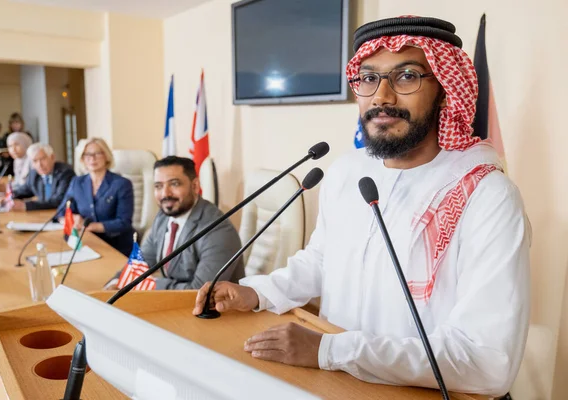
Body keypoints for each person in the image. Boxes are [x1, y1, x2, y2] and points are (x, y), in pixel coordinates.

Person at [193, 16, 530, 397]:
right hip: (332, 384)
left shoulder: (485, 194)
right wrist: (257, 293)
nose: (381, 97)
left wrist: (329, 350)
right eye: (369, 78)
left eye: (406, 77)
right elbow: (322, 260)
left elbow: (487, 360)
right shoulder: (348, 172)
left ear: (444, 90)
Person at [105, 156, 244, 290]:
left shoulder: (218, 230)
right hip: (173, 303)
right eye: (158, 186)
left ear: (195, 186)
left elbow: (199, 291)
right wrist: (118, 281)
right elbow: (141, 262)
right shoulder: (164, 216)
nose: (165, 194)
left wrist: (151, 284)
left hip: (214, 310)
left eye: (174, 184)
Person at [59, 138, 134, 257]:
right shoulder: (77, 182)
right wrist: (72, 218)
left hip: (115, 246)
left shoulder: (121, 184)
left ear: (106, 156)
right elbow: (61, 213)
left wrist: (88, 226)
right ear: (82, 159)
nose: (92, 158)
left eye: (97, 153)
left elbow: (124, 222)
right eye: (87, 154)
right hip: (86, 243)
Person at [10, 143, 75, 211]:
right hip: (43, 215)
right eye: (35, 161)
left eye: (43, 159)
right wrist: (9, 197)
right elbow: (24, 191)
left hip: (62, 215)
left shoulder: (65, 173)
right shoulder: (34, 174)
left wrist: (26, 205)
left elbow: (58, 201)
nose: (39, 165)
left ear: (52, 157)